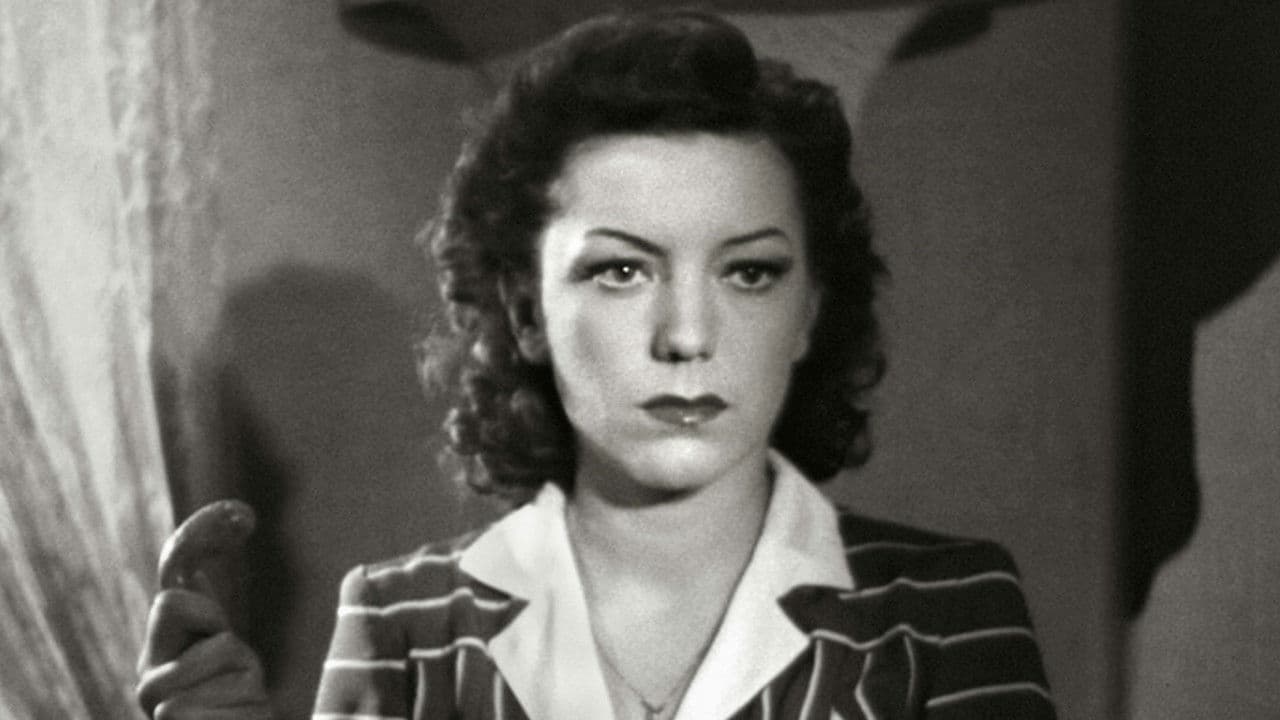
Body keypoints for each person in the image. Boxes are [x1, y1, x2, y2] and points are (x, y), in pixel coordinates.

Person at [137, 10, 1056, 720]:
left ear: (808, 312)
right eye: (621, 271)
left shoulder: (944, 611)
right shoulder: (406, 623)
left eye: (749, 272)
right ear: (525, 311)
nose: (687, 336)